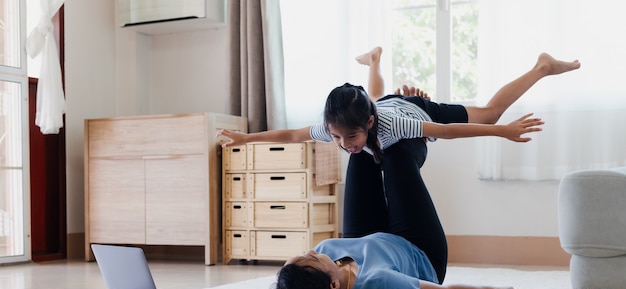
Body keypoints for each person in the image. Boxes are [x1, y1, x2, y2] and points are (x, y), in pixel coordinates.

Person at [274, 134, 534, 289]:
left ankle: (387, 111)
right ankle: (419, 130)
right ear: (333, 285)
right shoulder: (382, 283)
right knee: (396, 154)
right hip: (417, 250)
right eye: (310, 258)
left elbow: (295, 286)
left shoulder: (325, 258)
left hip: (371, 239)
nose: (311, 251)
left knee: (360, 153)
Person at [218, 47, 580, 163]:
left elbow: (446, 132)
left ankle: (541, 66)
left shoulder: (392, 126)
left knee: (489, 112)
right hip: (384, 103)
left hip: (414, 109)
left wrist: (501, 131)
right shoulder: (342, 125)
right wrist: (246, 139)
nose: (345, 145)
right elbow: (293, 133)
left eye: (352, 136)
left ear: (371, 124)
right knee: (375, 97)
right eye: (338, 137)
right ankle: (375, 59)